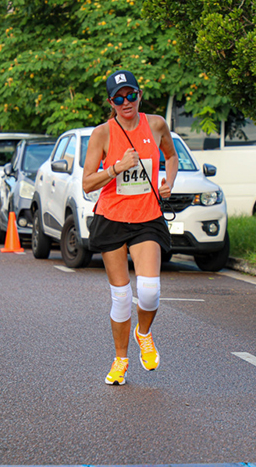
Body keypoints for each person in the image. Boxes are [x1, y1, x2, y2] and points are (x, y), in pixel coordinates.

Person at [82, 69, 179, 386]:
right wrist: (115, 168)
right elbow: (86, 184)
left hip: (147, 218)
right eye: (119, 98)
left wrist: (169, 181)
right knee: (122, 298)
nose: (127, 102)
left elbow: (171, 156)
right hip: (112, 218)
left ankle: (144, 333)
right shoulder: (102, 134)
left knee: (150, 292)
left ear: (140, 94)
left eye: (131, 95)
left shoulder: (156, 124)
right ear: (111, 102)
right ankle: (120, 360)